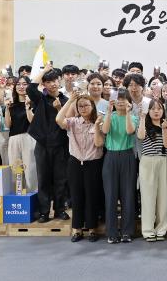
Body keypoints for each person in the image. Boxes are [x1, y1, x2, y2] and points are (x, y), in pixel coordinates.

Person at [55, 94, 104, 242]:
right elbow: (58, 119)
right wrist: (70, 101)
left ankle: (92, 228)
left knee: (92, 196)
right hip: (75, 163)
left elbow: (99, 143)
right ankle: (77, 229)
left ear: (92, 106)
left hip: (93, 163)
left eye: (86, 105)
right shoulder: (73, 122)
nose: (83, 108)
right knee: (76, 196)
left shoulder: (99, 122)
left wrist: (96, 126)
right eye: (80, 106)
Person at [26, 63, 70, 223]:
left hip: (61, 145)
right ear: (43, 84)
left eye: (55, 80)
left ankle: (60, 209)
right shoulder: (41, 99)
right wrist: (44, 70)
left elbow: (69, 122)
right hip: (42, 145)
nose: (52, 84)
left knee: (61, 179)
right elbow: (30, 88)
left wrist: (60, 108)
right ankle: (44, 211)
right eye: (48, 81)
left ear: (59, 81)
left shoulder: (67, 100)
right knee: (43, 179)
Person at [101, 89, 138, 244]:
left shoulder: (133, 117)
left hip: (127, 156)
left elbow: (130, 131)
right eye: (118, 99)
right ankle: (111, 232)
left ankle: (127, 232)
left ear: (129, 102)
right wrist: (109, 112)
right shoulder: (110, 116)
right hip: (110, 156)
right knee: (110, 196)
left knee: (128, 195)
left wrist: (128, 112)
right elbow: (105, 130)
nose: (121, 102)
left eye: (124, 99)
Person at [136, 100, 167, 242]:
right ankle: (148, 230)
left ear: (163, 111)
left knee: (164, 196)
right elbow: (140, 136)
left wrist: (164, 129)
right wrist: (142, 118)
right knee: (147, 197)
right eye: (153, 109)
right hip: (147, 161)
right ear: (149, 111)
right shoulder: (144, 124)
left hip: (163, 161)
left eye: (159, 108)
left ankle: (161, 229)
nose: (156, 111)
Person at [5, 76, 38, 191]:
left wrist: (28, 107)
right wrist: (7, 109)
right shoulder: (11, 104)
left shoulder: (34, 102)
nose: (21, 86)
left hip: (29, 137)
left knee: (30, 168)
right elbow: (8, 125)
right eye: (18, 84)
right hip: (13, 138)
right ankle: (18, 194)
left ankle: (32, 194)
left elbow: (33, 122)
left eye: (24, 84)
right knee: (15, 168)